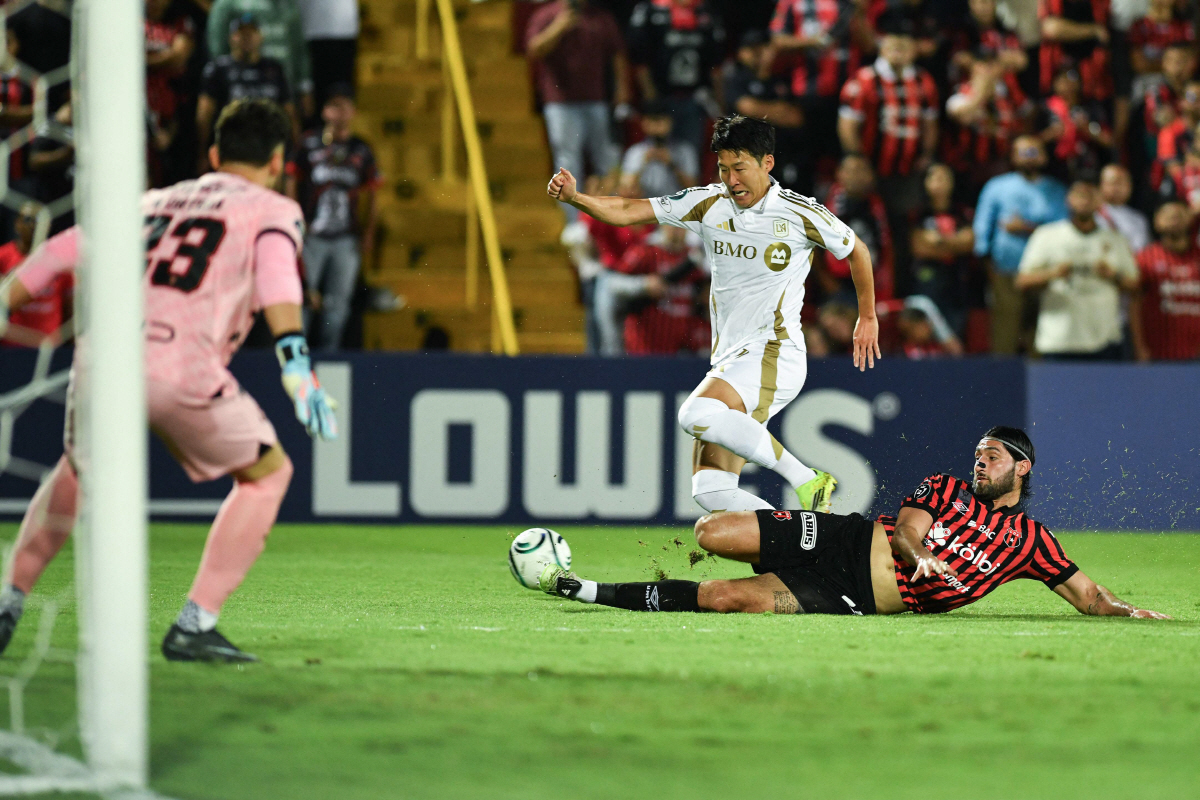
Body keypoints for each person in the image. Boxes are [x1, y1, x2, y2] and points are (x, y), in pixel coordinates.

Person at [0, 100, 338, 663]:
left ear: (212, 154)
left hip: (101, 358)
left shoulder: (149, 201)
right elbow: (278, 275)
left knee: (79, 470)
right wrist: (297, 367)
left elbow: (58, 253)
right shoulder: (272, 208)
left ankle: (9, 602)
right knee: (267, 474)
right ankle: (194, 624)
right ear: (278, 161)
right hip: (177, 362)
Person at [548, 114, 880, 515]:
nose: (731, 179)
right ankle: (799, 547)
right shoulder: (708, 203)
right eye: (724, 169)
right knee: (712, 493)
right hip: (730, 360)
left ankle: (807, 479)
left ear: (767, 163)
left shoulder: (798, 213)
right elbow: (628, 209)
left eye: (739, 168)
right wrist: (576, 200)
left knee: (695, 413)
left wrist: (868, 316)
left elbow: (856, 249)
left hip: (774, 352)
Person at [538, 427, 1171, 621]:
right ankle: (738, 450)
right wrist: (920, 555)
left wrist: (1134, 613)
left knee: (727, 599)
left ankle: (586, 589)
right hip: (840, 537)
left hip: (847, 596)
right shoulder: (946, 488)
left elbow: (1088, 596)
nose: (979, 462)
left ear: (1022, 470)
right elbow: (907, 529)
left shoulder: (1033, 545)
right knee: (712, 534)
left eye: (993, 456)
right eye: (977, 452)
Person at [288, 86, 382, 350]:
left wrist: (369, 231)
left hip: (346, 237)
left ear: (353, 112)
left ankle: (330, 352)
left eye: (346, 106)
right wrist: (294, 221)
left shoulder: (362, 149)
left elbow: (373, 193)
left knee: (338, 301)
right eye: (335, 106)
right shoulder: (308, 143)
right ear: (325, 111)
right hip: (312, 235)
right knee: (302, 295)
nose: (341, 113)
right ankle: (298, 351)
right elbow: (292, 182)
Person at [526, 0, 629, 226]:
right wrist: (559, 26)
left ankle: (610, 222)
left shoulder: (600, 16)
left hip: (596, 101)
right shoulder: (547, 15)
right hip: (561, 103)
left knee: (606, 160)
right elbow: (534, 49)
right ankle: (573, 226)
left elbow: (618, 54)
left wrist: (622, 88)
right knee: (567, 163)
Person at [1015, 178, 1138, 360]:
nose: (1085, 201)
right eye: (1080, 196)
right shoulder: (1047, 235)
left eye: (1091, 196)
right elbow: (1021, 281)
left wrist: (1113, 275)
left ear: (1100, 202)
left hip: (1103, 338)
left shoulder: (1115, 239)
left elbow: (1135, 285)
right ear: (1068, 199)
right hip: (1059, 337)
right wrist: (1054, 273)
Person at [973, 136, 1068, 354]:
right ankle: (1000, 384)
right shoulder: (996, 187)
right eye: (1022, 152)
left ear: (1044, 157)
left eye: (1033, 152)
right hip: (1006, 272)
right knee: (1005, 336)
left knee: (1042, 337)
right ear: (1013, 157)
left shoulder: (1056, 190)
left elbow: (1062, 232)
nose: (1028, 157)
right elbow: (982, 228)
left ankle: (1041, 385)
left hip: (1046, 274)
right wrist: (988, 266)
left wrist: (1025, 228)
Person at [770, 0, 871, 173]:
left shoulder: (851, 4)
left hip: (849, 93)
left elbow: (869, 46)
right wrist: (811, 42)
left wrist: (860, 13)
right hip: (809, 92)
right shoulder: (792, 2)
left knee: (845, 156)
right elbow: (778, 40)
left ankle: (835, 197)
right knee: (807, 158)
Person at [198, 13, 298, 174]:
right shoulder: (219, 69)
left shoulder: (274, 69)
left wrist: (294, 151)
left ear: (260, 36)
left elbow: (289, 111)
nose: (247, 37)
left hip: (269, 146)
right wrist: (202, 153)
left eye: (251, 32)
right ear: (231, 37)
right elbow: (204, 116)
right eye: (241, 33)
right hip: (233, 150)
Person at [626, 0, 725, 152]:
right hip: (662, 96)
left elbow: (715, 63)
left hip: (694, 99)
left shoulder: (705, 11)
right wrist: (651, 97)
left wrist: (720, 103)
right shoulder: (649, 11)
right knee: (657, 151)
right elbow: (640, 59)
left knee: (690, 153)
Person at [720, 29, 805, 191]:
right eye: (752, 50)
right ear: (741, 54)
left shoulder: (781, 80)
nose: (758, 54)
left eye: (762, 48)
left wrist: (765, 111)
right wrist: (779, 110)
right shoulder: (736, 79)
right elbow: (748, 107)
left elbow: (795, 118)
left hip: (782, 155)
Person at [943, 45, 1033, 192]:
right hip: (969, 170)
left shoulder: (1009, 95)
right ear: (973, 66)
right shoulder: (960, 92)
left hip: (1003, 167)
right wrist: (981, 93)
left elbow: (1027, 118)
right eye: (982, 63)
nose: (987, 69)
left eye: (992, 64)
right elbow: (963, 117)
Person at [207, 0, 314, 121]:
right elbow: (217, 47)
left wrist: (305, 87)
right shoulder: (228, 3)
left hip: (282, 82)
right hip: (237, 85)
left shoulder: (288, 5)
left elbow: (298, 47)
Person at [910, 163, 975, 336]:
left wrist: (938, 241)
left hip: (957, 284)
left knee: (955, 335)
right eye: (935, 177)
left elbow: (969, 243)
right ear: (925, 182)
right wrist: (955, 243)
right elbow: (919, 248)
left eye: (945, 178)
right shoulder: (918, 213)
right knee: (927, 335)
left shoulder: (962, 212)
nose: (940, 182)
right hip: (927, 282)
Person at [1131, 200, 1200, 360]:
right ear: (1156, 222)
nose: (1174, 219)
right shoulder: (1145, 258)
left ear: (1190, 219)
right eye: (1168, 215)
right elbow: (1135, 305)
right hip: (1157, 354)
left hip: (1196, 354)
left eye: (1179, 215)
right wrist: (1139, 347)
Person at [821, 153, 893, 301]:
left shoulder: (881, 205)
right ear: (839, 173)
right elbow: (810, 247)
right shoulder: (822, 201)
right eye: (851, 171)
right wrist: (827, 283)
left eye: (862, 171)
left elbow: (887, 248)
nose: (856, 176)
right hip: (837, 284)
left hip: (871, 282)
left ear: (871, 176)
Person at [0, 202, 71, 347]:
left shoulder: (60, 257)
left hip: (51, 350)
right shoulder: (2, 257)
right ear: (17, 224)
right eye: (27, 220)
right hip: (10, 350)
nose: (32, 225)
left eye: (39, 220)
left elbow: (69, 307)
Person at [145, 0, 195, 187]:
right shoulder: (132, 22)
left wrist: (142, 61)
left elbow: (178, 58)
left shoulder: (179, 23)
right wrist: (163, 59)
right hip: (138, 109)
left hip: (172, 112)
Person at [1040, 67, 1112, 182]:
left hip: (1087, 168)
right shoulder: (1045, 108)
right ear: (1054, 83)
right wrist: (1051, 134)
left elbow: (1109, 141)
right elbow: (1030, 141)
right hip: (1052, 170)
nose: (1068, 84)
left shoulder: (1090, 107)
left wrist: (1087, 129)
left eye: (1071, 79)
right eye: (1062, 79)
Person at [618, 100, 699, 199]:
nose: (656, 126)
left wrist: (672, 164)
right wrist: (644, 162)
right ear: (644, 123)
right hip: (646, 206)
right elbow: (625, 189)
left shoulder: (684, 150)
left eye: (660, 121)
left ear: (670, 122)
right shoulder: (636, 151)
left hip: (676, 207)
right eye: (652, 121)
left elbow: (694, 189)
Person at [1038, 0, 1113, 103]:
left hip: (1094, 81)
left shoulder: (1099, 4)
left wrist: (1070, 31)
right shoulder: (1052, 3)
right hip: (1057, 76)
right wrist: (1093, 30)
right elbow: (1051, 29)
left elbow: (1106, 34)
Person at [1096, 163, 1150, 253]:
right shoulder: (1091, 215)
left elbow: (1142, 251)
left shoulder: (1138, 219)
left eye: (1123, 183)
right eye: (1114, 183)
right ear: (1101, 185)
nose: (1118, 188)